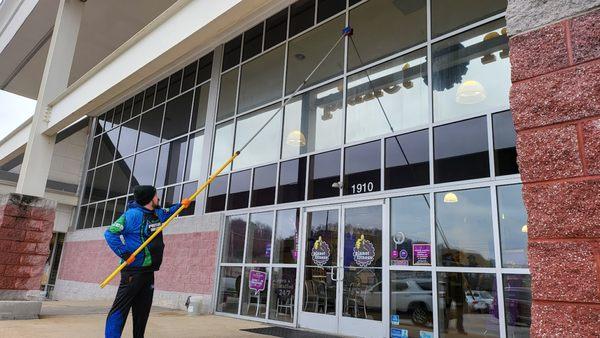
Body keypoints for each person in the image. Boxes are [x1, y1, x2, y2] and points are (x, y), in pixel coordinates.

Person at [104, 185, 190, 338]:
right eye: (156, 195)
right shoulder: (132, 215)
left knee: (142, 311)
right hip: (133, 272)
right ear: (150, 198)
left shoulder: (156, 213)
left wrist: (181, 205)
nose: (158, 198)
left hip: (148, 272)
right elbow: (110, 233)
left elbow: (169, 213)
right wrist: (124, 253)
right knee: (121, 309)